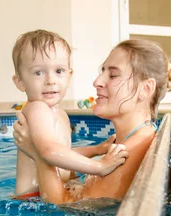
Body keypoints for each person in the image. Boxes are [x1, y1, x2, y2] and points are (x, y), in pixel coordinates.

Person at [13, 39, 171, 204]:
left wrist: (38, 156)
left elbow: (63, 207)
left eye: (113, 75)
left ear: (145, 89)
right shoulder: (132, 140)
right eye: (102, 71)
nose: (97, 82)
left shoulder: (131, 152)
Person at [11, 30, 129, 199]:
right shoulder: (37, 109)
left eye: (59, 71)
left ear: (69, 75)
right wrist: (100, 167)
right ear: (20, 82)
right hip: (32, 198)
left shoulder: (60, 114)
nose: (50, 80)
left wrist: (96, 149)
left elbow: (63, 153)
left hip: (51, 191)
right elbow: (49, 151)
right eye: (39, 72)